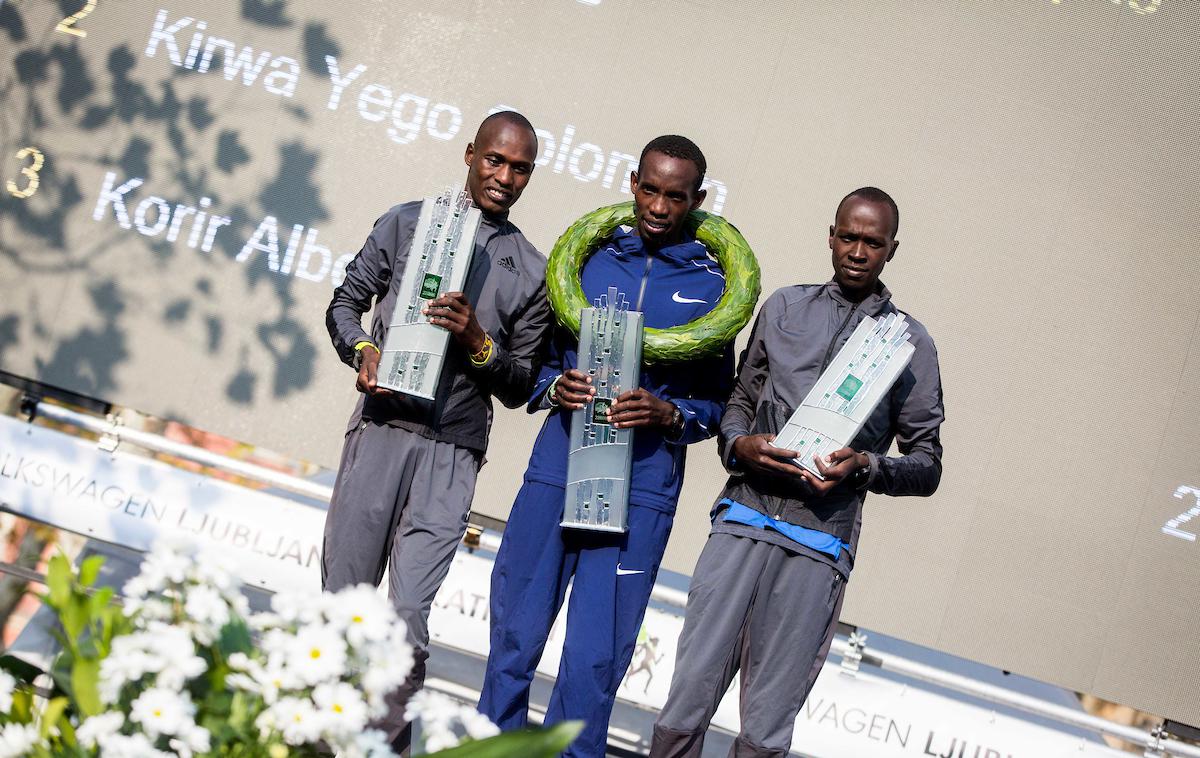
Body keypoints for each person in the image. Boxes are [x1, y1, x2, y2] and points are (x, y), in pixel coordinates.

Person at [649, 187, 945, 758]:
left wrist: (864, 466)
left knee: (765, 729)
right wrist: (740, 445)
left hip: (817, 545)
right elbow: (739, 401)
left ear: (892, 250)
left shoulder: (906, 342)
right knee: (685, 700)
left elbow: (927, 464)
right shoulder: (784, 307)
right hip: (741, 521)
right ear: (831, 236)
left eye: (873, 243)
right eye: (849, 237)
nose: (858, 251)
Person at [478, 136, 736, 758]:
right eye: (649, 188)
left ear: (697, 201)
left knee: (595, 657)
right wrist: (551, 385)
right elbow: (534, 360)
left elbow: (720, 407)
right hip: (559, 462)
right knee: (516, 632)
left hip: (643, 484)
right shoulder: (587, 261)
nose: (658, 206)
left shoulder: (713, 287)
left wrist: (670, 413)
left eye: (675, 196)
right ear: (632, 183)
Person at [322, 111, 552, 749]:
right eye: (494, 160)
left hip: (452, 450)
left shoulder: (529, 269)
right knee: (345, 603)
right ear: (470, 153)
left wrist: (478, 340)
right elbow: (345, 303)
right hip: (381, 429)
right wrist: (362, 350)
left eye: (520, 168)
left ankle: (382, 745)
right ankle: (314, 738)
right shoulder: (406, 221)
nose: (504, 177)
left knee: (407, 619)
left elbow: (521, 384)